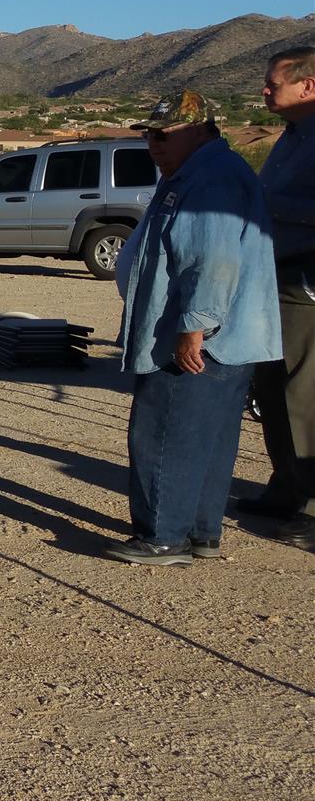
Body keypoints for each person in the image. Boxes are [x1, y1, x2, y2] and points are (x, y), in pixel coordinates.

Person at [108, 89, 281, 566]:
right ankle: (202, 532)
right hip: (226, 339)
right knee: (208, 437)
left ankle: (162, 536)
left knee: (165, 433)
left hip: (197, 338)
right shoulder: (198, 172)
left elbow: (212, 260)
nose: (154, 144)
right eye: (149, 135)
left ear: (201, 131)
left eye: (164, 135)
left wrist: (194, 327)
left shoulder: (209, 180)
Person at [248, 46, 315, 549]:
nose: (265, 91)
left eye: (274, 83)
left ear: (307, 86)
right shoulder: (291, 136)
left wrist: (263, 202)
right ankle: (285, 488)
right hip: (271, 277)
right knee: (270, 389)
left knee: (303, 394)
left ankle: (311, 505)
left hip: (305, 282)